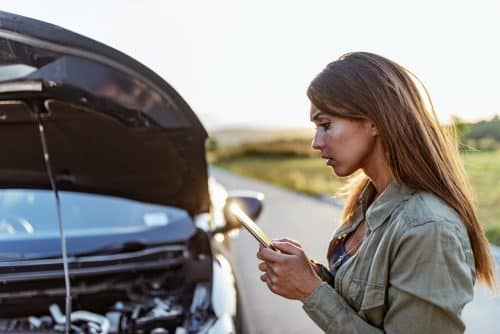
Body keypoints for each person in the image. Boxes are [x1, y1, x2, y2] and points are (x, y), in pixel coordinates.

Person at [256, 52, 497, 333]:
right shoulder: (369, 200)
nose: (316, 143)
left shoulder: (429, 228)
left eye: (325, 125)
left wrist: (311, 293)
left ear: (373, 121)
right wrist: (312, 278)